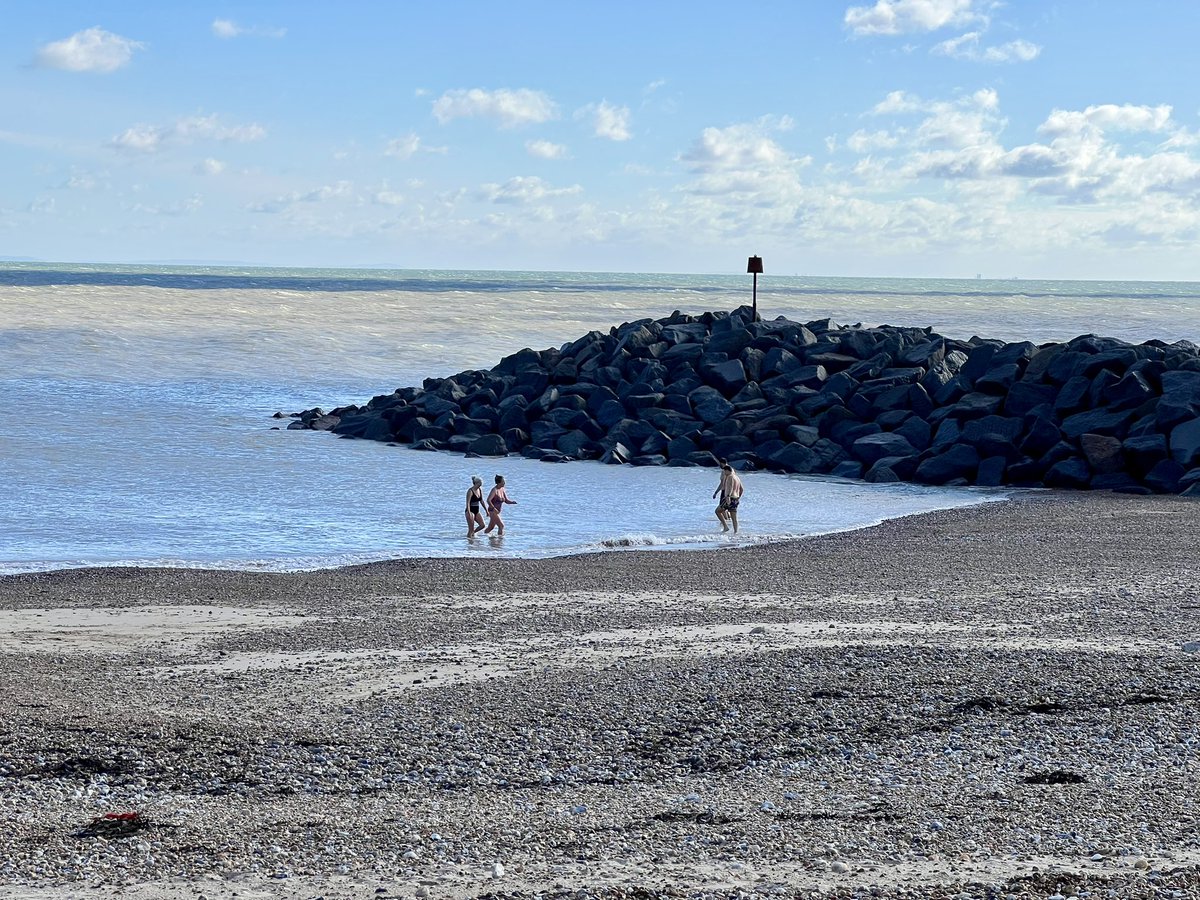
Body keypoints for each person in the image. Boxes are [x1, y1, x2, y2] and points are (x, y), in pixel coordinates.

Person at [713, 463, 744, 534]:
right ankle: (736, 532)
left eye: (724, 472)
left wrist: (727, 497)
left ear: (727, 470)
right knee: (734, 518)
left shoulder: (730, 477)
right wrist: (738, 497)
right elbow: (742, 489)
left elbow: (730, 487)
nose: (724, 474)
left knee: (717, 511)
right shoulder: (737, 478)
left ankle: (725, 527)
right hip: (735, 498)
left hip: (729, 498)